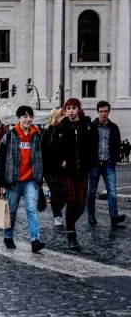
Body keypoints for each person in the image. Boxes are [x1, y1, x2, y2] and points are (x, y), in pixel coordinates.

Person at [0, 106, 46, 252]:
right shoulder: (10, 136)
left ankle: (35, 240)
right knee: (11, 211)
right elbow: (0, 160)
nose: (28, 119)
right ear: (18, 118)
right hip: (13, 180)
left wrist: (41, 177)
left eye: (30, 116)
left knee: (31, 210)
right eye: (25, 116)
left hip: (31, 180)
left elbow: (41, 157)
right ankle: (8, 236)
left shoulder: (36, 136)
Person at [51, 98, 98, 250]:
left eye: (73, 108)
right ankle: (72, 235)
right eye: (68, 108)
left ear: (78, 109)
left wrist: (91, 162)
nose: (70, 110)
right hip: (67, 171)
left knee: (81, 203)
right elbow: (52, 149)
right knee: (72, 201)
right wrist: (60, 162)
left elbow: (94, 146)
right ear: (65, 110)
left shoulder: (88, 125)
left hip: (83, 170)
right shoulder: (60, 127)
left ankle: (71, 224)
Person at [87, 101, 126, 228]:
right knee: (91, 191)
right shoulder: (91, 126)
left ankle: (114, 216)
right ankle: (91, 215)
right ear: (97, 112)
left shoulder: (113, 127)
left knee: (112, 191)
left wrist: (116, 157)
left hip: (108, 162)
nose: (103, 114)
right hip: (94, 163)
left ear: (109, 112)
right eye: (101, 111)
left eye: (105, 111)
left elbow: (117, 144)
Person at [41, 108, 65, 226]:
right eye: (62, 116)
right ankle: (57, 215)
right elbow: (46, 150)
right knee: (55, 191)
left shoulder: (64, 129)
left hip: (61, 167)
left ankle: (57, 209)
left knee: (63, 192)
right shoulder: (48, 132)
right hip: (49, 167)